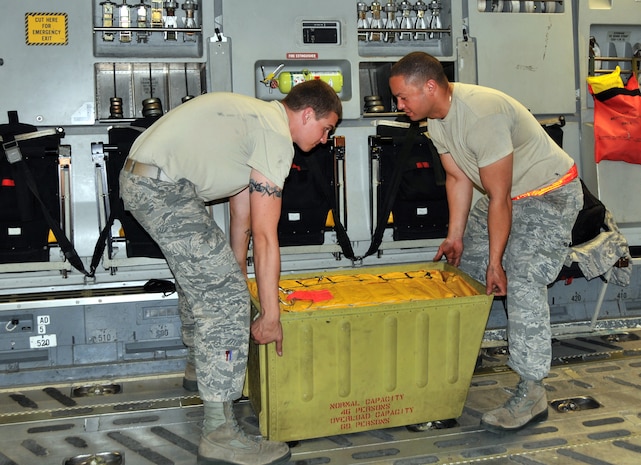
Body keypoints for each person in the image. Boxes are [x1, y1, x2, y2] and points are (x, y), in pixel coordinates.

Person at [119, 80, 341, 465]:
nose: (325, 140)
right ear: (307, 114)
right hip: (162, 189)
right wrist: (269, 315)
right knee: (222, 300)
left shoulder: (254, 124)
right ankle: (219, 432)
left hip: (150, 182)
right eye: (326, 129)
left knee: (212, 280)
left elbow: (243, 224)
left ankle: (198, 369)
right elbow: (268, 238)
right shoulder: (274, 134)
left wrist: (236, 281)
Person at [389, 52, 583, 433]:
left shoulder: (482, 114)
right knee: (462, 269)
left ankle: (532, 390)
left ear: (430, 87)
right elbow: (458, 179)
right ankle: (454, 363)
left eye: (402, 97)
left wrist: (498, 261)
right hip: (508, 199)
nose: (399, 106)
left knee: (522, 276)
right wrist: (455, 236)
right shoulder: (436, 118)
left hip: (549, 195)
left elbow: (497, 195)